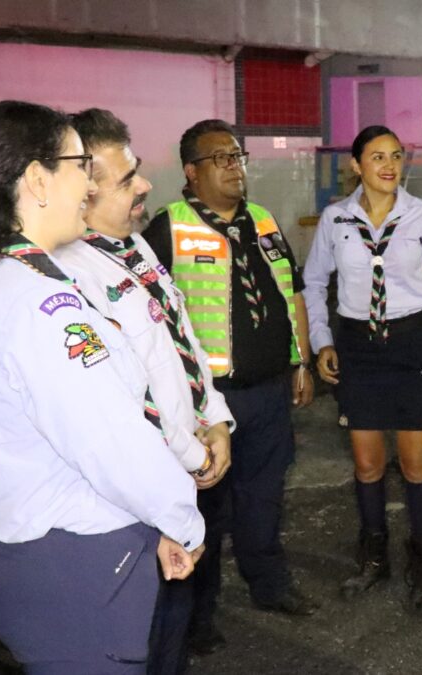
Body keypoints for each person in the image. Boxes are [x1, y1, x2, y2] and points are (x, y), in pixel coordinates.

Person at [0, 100, 204, 673]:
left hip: (58, 553)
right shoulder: (42, 303)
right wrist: (181, 518)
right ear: (38, 180)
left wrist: (156, 523)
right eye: (79, 165)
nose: (89, 185)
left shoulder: (19, 275)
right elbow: (112, 441)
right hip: (75, 570)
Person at [52, 108, 234, 675]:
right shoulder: (68, 276)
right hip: (132, 494)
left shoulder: (131, 248)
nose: (146, 184)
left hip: (178, 474)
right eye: (127, 178)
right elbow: (124, 399)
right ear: (80, 195)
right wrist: (192, 451)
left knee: (172, 625)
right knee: (137, 636)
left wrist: (216, 417)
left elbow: (182, 345)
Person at [144, 118, 316, 655]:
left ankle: (270, 585)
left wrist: (301, 361)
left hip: (268, 393)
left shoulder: (263, 221)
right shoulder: (166, 229)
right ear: (191, 172)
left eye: (237, 156)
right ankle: (197, 613)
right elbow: (147, 319)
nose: (235, 166)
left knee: (263, 498)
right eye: (221, 158)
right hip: (207, 405)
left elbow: (294, 291)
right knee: (205, 509)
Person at [303, 125, 422, 612]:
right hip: (358, 348)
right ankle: (373, 558)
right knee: (368, 464)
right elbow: (313, 284)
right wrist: (322, 341)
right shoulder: (335, 220)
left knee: (417, 466)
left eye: (396, 155)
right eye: (377, 157)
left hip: (413, 345)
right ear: (356, 165)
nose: (389, 165)